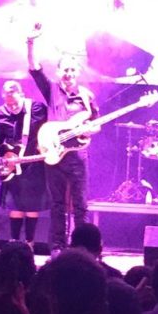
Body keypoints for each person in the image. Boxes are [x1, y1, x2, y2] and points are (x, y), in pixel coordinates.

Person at [27, 25, 99, 250]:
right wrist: (30, 42)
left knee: (80, 205)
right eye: (65, 70)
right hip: (54, 155)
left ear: (77, 73)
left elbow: (95, 124)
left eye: (72, 70)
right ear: (58, 72)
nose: (68, 74)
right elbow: (34, 69)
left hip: (77, 156)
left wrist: (89, 130)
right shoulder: (52, 90)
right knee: (57, 205)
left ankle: (82, 248)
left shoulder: (86, 96)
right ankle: (57, 247)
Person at [0, 80, 49, 244]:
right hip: (12, 164)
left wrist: (45, 144)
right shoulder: (1, 112)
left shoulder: (37, 108)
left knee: (32, 206)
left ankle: (29, 243)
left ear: (21, 95)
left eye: (15, 103)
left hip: (33, 164)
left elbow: (49, 128)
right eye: (8, 104)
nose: (12, 107)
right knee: (14, 205)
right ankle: (14, 242)